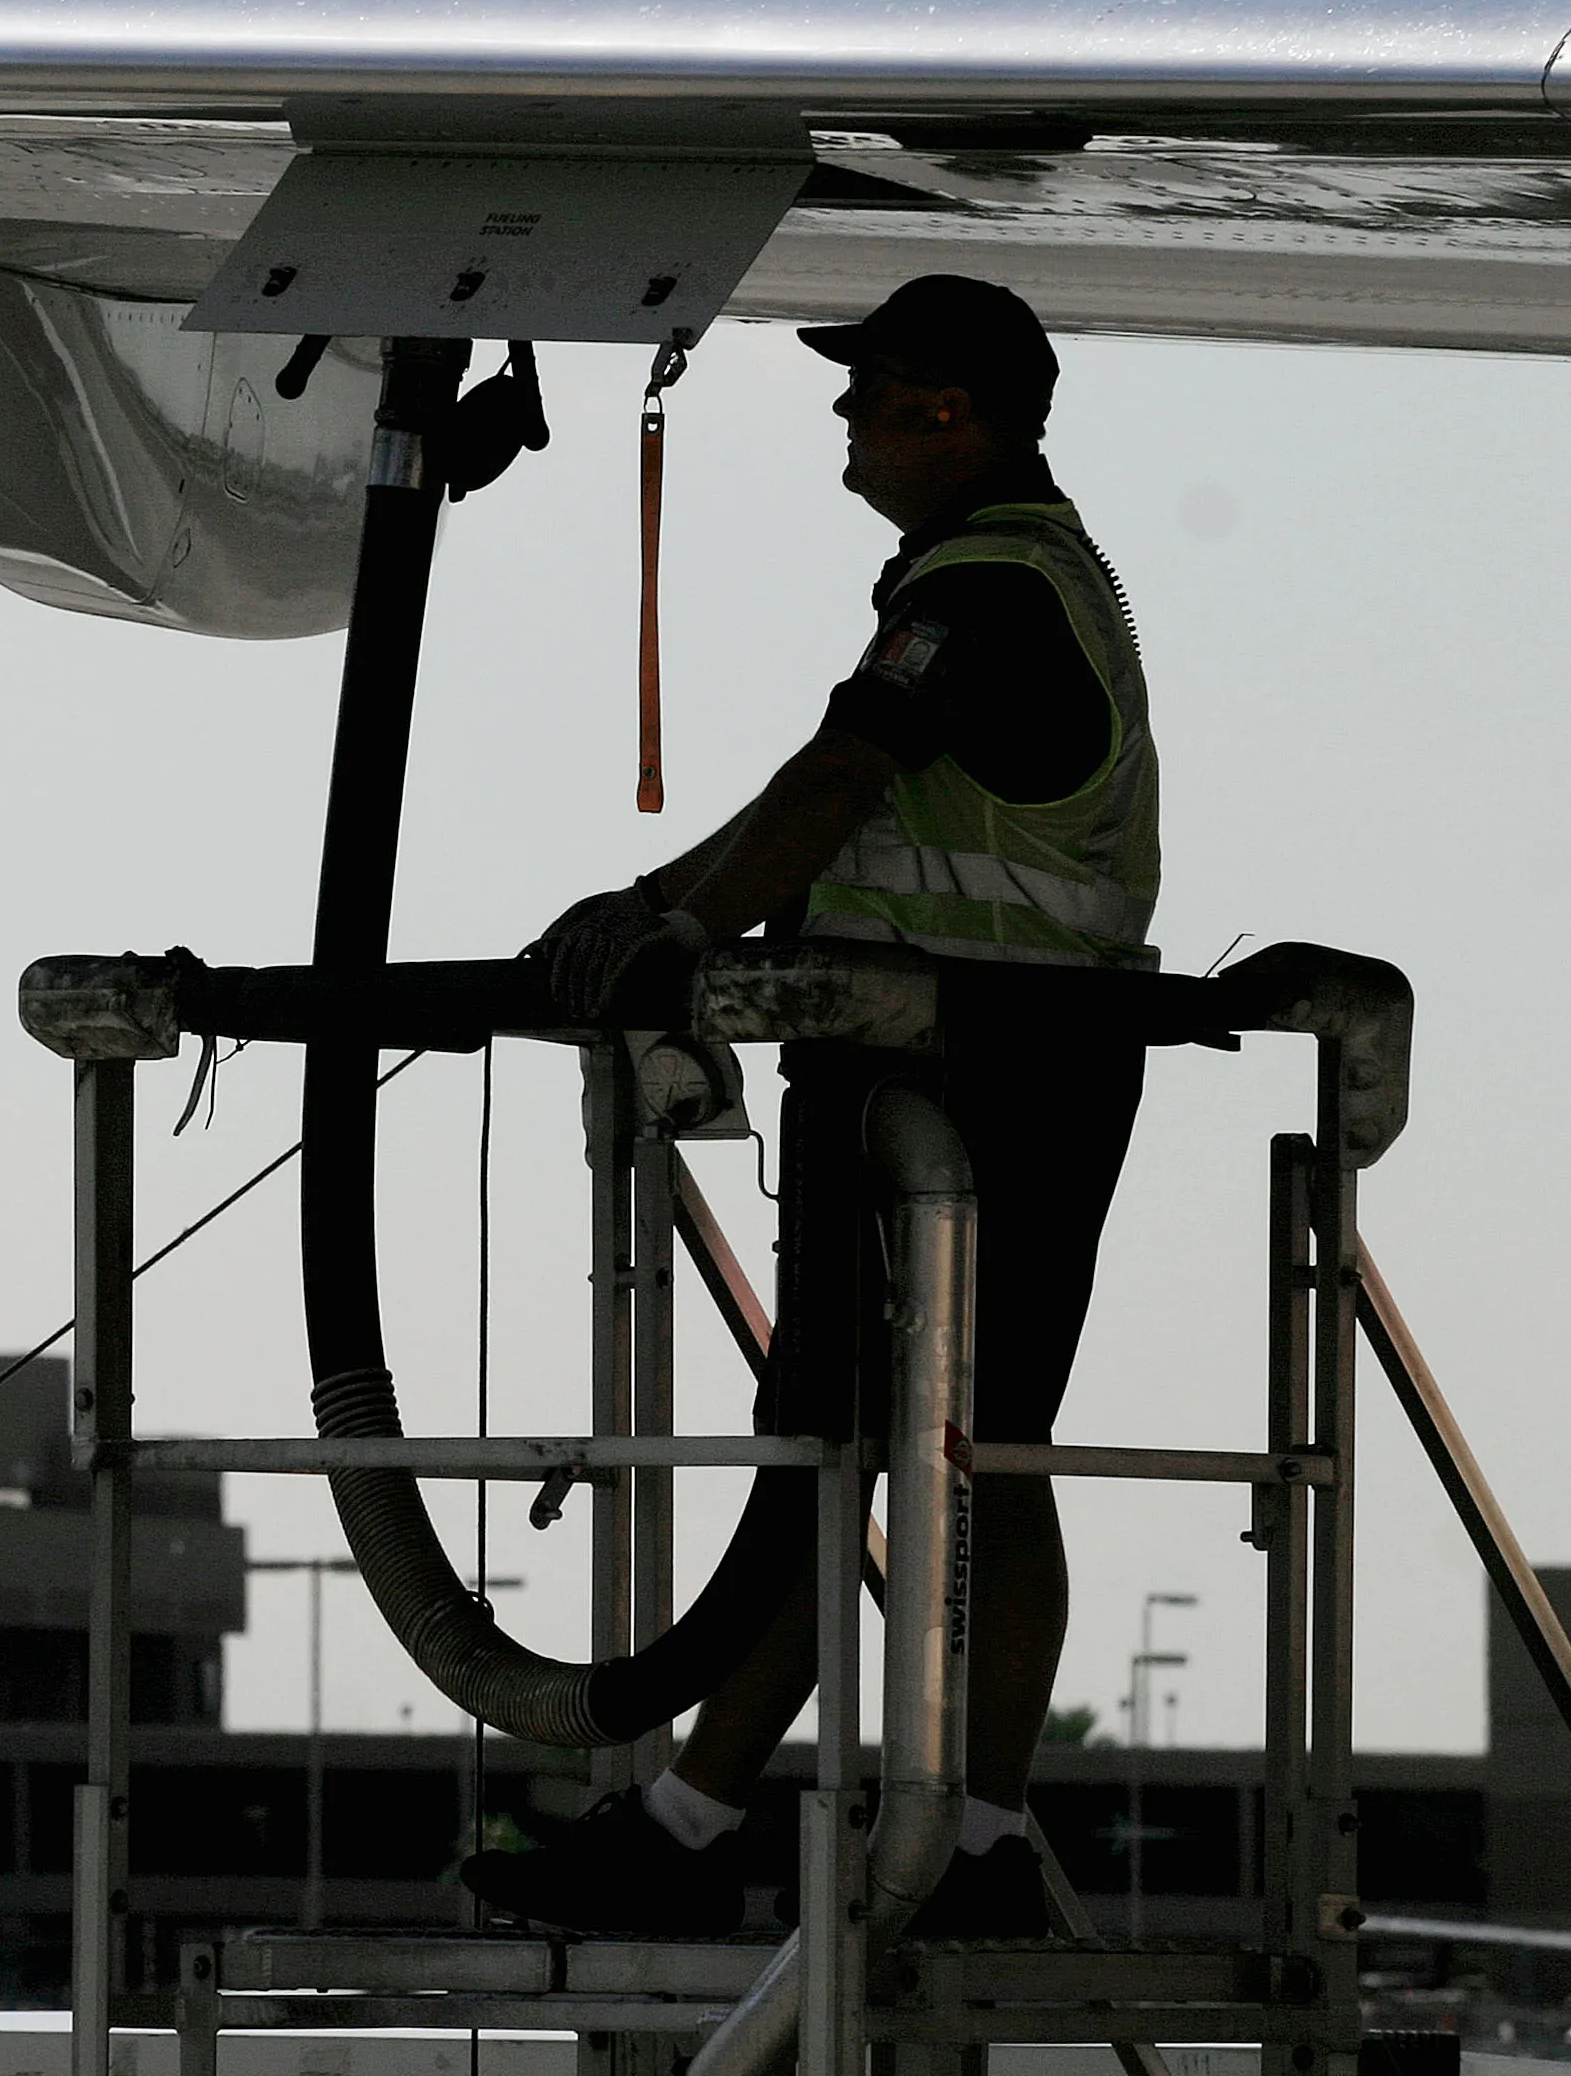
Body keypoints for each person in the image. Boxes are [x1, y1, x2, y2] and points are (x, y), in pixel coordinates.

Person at [461, 274, 1156, 1942]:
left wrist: (674, 932)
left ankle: (804, 1835)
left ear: (949, 416)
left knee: (900, 1450)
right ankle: (889, 1835)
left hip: (965, 1077)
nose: (843, 421)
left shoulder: (984, 592)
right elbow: (829, 806)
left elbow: (833, 785)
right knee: (927, 1452)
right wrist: (646, 905)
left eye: (870, 395)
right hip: (992, 1066)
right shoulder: (1005, 577)